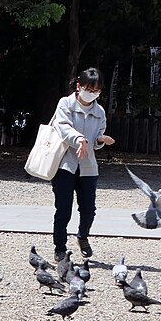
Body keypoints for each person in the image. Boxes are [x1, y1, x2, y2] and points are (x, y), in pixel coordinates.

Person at [49, 68, 114, 259]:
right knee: (63, 208)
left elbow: (96, 141)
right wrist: (79, 139)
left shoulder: (99, 111)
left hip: (88, 167)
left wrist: (101, 140)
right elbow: (62, 127)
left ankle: (83, 236)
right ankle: (60, 248)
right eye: (89, 89)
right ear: (79, 86)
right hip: (64, 165)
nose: (92, 93)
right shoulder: (65, 103)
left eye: (96, 91)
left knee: (88, 209)